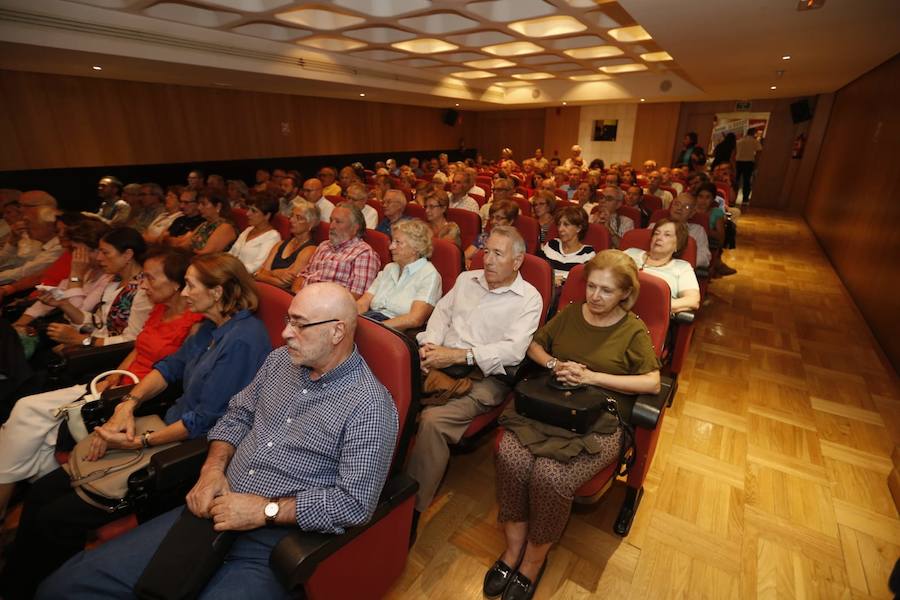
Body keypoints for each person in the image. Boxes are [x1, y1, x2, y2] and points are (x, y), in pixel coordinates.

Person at [36, 282, 399, 599]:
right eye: (288, 320)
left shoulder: (369, 405)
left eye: (300, 325)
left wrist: (263, 510)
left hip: (274, 540)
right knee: (67, 585)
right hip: (211, 508)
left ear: (337, 332)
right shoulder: (279, 362)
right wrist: (212, 469)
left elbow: (353, 503)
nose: (286, 333)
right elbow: (237, 415)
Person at [0, 253, 271, 599]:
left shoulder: (244, 339)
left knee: (57, 518)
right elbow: (170, 367)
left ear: (217, 292)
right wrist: (128, 405)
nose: (184, 293)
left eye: (190, 285)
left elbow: (205, 422)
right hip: (161, 427)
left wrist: (138, 441)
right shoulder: (210, 326)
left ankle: (36, 587)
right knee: (42, 493)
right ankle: (19, 580)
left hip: (184, 451)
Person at [485, 250, 660, 600]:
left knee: (551, 476)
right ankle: (512, 549)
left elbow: (652, 382)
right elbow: (535, 345)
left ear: (625, 293)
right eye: (591, 286)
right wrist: (554, 365)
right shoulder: (570, 314)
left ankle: (534, 561)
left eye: (606, 291)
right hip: (552, 406)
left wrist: (591, 376)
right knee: (511, 458)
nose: (595, 297)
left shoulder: (632, 330)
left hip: (601, 419)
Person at [0, 248, 203, 520]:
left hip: (137, 395)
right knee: (30, 421)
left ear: (179, 286)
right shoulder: (160, 309)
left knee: (31, 420)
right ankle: (24, 497)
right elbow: (137, 349)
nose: (143, 285)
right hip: (116, 383)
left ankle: (14, 500)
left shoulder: (195, 324)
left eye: (151, 279)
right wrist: (113, 375)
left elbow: (175, 375)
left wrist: (123, 391)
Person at [408, 227, 542, 534]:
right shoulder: (467, 279)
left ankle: (410, 510)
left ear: (518, 260)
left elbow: (512, 351)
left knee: (432, 421)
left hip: (486, 376)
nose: (489, 260)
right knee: (390, 392)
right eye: (487, 251)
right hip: (439, 358)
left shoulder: (528, 299)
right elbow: (441, 312)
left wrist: (457, 356)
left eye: (498, 254)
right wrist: (431, 345)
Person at [43, 227, 153, 351]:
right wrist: (64, 304)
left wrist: (80, 340)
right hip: (100, 348)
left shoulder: (144, 288)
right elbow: (99, 325)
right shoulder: (115, 280)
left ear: (127, 255)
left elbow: (132, 339)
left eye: (105, 253)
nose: (99, 258)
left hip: (117, 356)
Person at [12, 218, 112, 333]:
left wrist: (76, 275)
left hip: (78, 333)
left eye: (76, 249)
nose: (73, 254)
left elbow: (75, 314)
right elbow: (55, 296)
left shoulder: (108, 278)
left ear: (97, 251)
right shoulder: (88, 270)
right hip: (57, 326)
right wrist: (19, 324)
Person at [356, 219, 441, 332]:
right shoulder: (389, 268)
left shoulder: (429, 275)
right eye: (392, 241)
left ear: (416, 248)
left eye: (398, 242)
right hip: (371, 320)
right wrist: (348, 318)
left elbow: (415, 319)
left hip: (396, 331)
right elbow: (363, 302)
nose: (391, 247)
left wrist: (373, 329)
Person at [294, 203, 379, 298]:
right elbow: (302, 276)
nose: (331, 226)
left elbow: (356, 296)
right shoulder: (323, 245)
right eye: (331, 221)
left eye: (338, 222)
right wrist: (298, 294)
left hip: (328, 308)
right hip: (302, 299)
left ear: (355, 228)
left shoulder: (364, 254)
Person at [623, 218, 700, 313]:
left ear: (678, 244)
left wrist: (656, 305)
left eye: (667, 235)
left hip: (652, 317)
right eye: (656, 233)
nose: (659, 237)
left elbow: (693, 300)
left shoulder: (682, 268)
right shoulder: (630, 253)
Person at [0, 191, 63, 284]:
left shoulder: (61, 246)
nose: (20, 210)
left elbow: (25, 272)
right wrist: (12, 242)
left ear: (49, 224)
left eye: (24, 206)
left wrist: (9, 289)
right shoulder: (27, 234)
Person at [255, 199, 320, 289]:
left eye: (298, 217)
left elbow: (284, 283)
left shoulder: (310, 250)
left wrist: (269, 274)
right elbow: (259, 273)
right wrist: (277, 273)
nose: (292, 220)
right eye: (291, 216)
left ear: (311, 224)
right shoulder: (280, 244)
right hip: (264, 289)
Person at [541, 205, 596, 287]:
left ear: (579, 228)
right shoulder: (552, 245)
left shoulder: (588, 254)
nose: (560, 229)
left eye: (566, 225)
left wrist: (560, 281)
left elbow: (583, 284)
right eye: (559, 224)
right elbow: (540, 273)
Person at [228, 193, 282, 274]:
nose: (247, 213)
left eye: (254, 211)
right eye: (249, 209)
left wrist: (230, 270)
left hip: (247, 279)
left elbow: (257, 266)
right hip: (231, 273)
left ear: (267, 215)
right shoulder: (249, 229)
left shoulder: (273, 236)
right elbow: (231, 253)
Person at [176, 188, 238, 255]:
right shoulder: (204, 224)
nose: (199, 207)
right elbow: (184, 246)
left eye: (203, 204)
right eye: (199, 204)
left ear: (218, 206)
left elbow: (207, 254)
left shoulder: (226, 227)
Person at [466, 200, 519, 267]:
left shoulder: (517, 243)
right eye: (492, 217)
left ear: (510, 221)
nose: (493, 221)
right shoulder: (484, 237)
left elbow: (507, 267)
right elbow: (465, 257)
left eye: (498, 218)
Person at [664, 193, 711, 268]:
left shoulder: (698, 231)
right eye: (677, 204)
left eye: (686, 206)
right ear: (671, 206)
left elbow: (704, 258)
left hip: (680, 270)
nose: (679, 208)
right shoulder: (654, 226)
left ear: (692, 213)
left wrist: (675, 263)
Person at [734, 129, 763, 204]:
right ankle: (745, 199)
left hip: (738, 162)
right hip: (749, 162)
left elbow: (734, 153)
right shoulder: (754, 141)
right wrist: (756, 163)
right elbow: (759, 152)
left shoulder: (739, 141)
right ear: (753, 133)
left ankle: (733, 197)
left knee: (736, 180)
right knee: (746, 181)